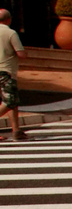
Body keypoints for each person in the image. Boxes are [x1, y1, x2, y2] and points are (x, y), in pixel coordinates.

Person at [0, 8, 26, 141]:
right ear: (8, 19)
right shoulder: (10, 33)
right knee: (10, 100)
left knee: (11, 101)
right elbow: (21, 54)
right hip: (6, 71)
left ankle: (16, 131)